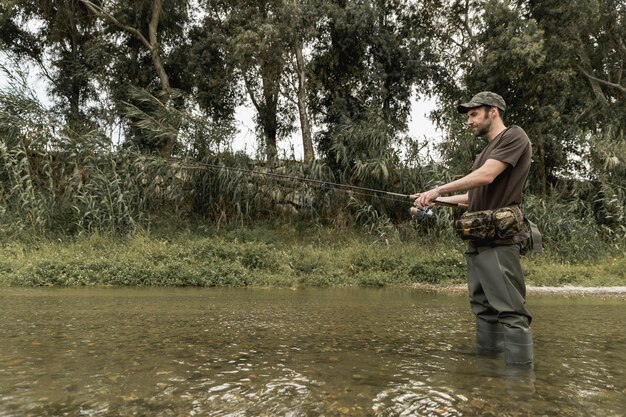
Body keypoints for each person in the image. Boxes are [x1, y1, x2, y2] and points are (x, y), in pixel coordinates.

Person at [411, 91, 534, 368]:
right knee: (483, 308)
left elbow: (486, 176)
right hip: (478, 240)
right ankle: (487, 363)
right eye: (468, 116)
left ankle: (520, 376)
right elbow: (472, 198)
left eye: (473, 114)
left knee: (510, 310)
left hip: (500, 242)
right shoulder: (483, 153)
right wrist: (432, 198)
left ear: (494, 112)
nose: (469, 121)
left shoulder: (514, 136)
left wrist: (438, 188)